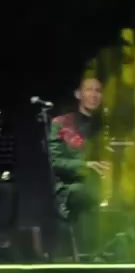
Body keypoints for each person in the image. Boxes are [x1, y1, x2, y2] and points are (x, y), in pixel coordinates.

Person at [47, 76, 108, 258]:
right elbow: (54, 162)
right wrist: (85, 166)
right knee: (85, 192)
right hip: (69, 187)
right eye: (89, 90)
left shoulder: (104, 126)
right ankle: (85, 254)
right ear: (78, 94)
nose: (94, 95)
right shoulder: (62, 123)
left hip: (98, 185)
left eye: (98, 91)